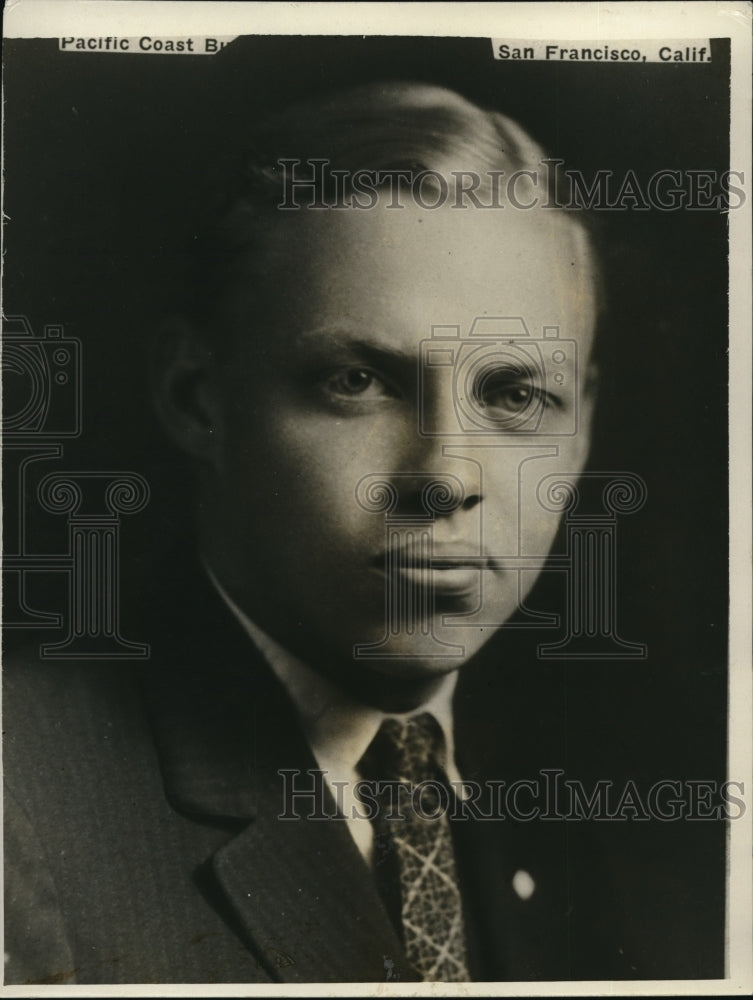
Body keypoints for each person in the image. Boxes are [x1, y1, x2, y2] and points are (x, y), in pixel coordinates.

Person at [3, 81, 724, 985]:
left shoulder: (628, 800)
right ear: (197, 397)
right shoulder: (20, 804)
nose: (448, 478)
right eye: (357, 382)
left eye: (514, 395)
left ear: (579, 425)